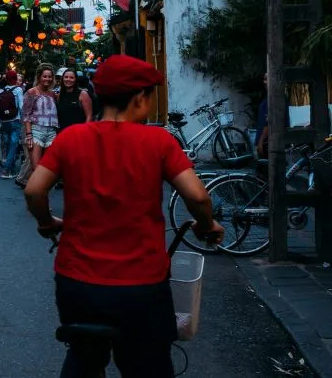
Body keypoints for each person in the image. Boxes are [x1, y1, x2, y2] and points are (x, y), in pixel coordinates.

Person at [23, 55, 224, 378]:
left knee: (84, 358)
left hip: (78, 281)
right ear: (140, 98)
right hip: (141, 284)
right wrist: (206, 225)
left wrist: (47, 223)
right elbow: (198, 195)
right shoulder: (159, 141)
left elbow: (34, 191)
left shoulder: (71, 138)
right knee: (148, 365)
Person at [17, 64, 58, 188]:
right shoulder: (31, 92)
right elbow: (26, 115)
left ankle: (40, 198)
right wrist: (29, 135)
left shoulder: (53, 94)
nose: (47, 79)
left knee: (48, 171)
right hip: (36, 132)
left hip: (51, 133)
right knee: (36, 170)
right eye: (44, 76)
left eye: (50, 77)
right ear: (39, 77)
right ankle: (36, 200)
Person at [0, 70, 24, 180]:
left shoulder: (2, 90)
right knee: (13, 144)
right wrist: (24, 120)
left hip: (4, 121)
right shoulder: (18, 90)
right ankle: (6, 170)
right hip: (14, 120)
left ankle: (10, 166)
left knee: (7, 143)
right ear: (15, 79)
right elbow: (21, 106)